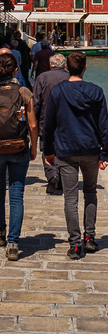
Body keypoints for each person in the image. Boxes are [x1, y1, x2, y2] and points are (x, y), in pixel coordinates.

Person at [40, 52, 108, 259]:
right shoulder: (96, 91)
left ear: (67, 68)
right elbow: (103, 125)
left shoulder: (58, 92)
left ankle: (75, 244)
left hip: (66, 150)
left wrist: (48, 151)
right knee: (90, 192)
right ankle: (90, 238)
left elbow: (49, 124)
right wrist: (105, 152)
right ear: (85, 68)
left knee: (70, 198)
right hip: (90, 149)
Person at [0, 53, 34, 261]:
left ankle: (0, 233)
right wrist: (34, 147)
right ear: (15, 71)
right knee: (16, 195)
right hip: (18, 148)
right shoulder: (24, 92)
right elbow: (32, 124)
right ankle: (13, 242)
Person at [32, 53, 68, 198]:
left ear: (50, 64)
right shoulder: (70, 78)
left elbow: (36, 102)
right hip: (66, 121)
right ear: (65, 65)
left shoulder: (42, 78)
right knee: (62, 150)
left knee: (47, 149)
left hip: (45, 120)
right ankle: (60, 179)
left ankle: (52, 173)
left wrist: (31, 122)